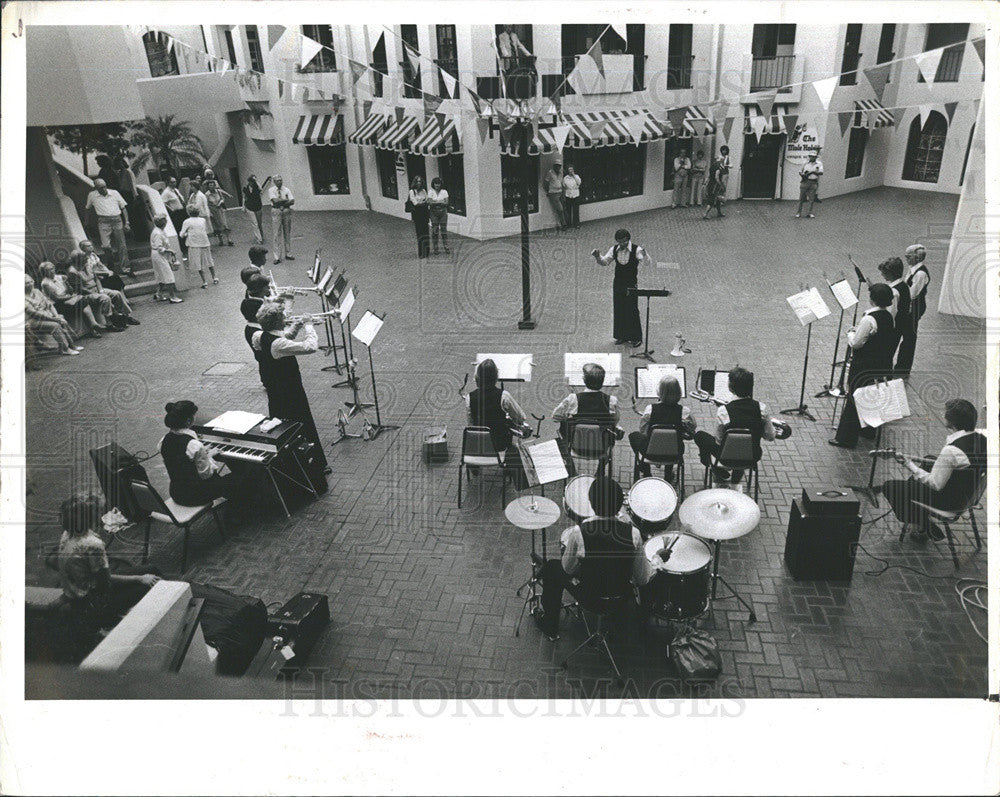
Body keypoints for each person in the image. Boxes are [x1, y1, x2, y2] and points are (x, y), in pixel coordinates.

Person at [531, 477, 643, 641]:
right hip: (620, 597)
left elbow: (567, 569)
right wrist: (656, 559)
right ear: (621, 505)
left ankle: (550, 626)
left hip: (589, 597)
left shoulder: (579, 532)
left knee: (551, 569)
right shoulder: (634, 534)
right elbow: (643, 577)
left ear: (591, 503)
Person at [881, 399, 987, 542]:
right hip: (968, 494)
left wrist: (908, 464)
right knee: (928, 459)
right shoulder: (981, 439)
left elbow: (935, 484)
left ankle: (924, 523)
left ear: (953, 422)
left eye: (946, 413)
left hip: (949, 502)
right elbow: (959, 463)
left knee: (890, 487)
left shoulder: (951, 450)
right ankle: (917, 519)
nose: (942, 414)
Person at [56, 492, 160, 632]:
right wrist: (140, 578)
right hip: (93, 603)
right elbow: (105, 583)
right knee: (153, 582)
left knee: (151, 569)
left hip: (78, 590)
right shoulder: (92, 544)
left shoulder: (67, 535)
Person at [252, 302, 330, 473]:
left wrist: (298, 324)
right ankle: (315, 465)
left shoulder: (258, 336)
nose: (285, 319)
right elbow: (310, 347)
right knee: (303, 423)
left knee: (282, 425)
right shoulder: (278, 344)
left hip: (275, 389)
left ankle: (290, 463)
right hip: (290, 389)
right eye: (283, 317)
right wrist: (309, 326)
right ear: (276, 321)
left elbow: (284, 338)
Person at [829, 283, 897, 449]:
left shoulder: (868, 318)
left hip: (864, 365)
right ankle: (868, 431)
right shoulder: (889, 316)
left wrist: (852, 333)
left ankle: (845, 438)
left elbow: (857, 343)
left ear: (872, 299)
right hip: (882, 364)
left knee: (854, 398)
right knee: (872, 396)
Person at [693, 367, 775, 486]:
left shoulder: (723, 411)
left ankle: (713, 466)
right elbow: (770, 437)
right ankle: (737, 476)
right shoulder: (761, 409)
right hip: (752, 456)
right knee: (744, 447)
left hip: (726, 457)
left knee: (699, 435)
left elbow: (719, 440)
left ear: (730, 388)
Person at [159, 400, 242, 506]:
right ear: (189, 421)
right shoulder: (194, 445)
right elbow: (206, 475)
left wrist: (202, 453)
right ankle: (235, 513)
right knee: (241, 477)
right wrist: (209, 456)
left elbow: (180, 462)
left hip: (177, 492)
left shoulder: (163, 441)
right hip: (197, 495)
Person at [628, 374, 696, 481]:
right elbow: (692, 428)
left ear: (660, 392)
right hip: (675, 453)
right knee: (671, 442)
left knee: (633, 436)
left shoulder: (650, 410)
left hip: (650, 453)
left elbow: (643, 431)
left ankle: (646, 472)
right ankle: (668, 475)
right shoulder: (684, 412)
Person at [592, 228, 649, 346]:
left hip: (631, 282)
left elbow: (646, 262)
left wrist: (645, 255)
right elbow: (605, 262)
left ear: (628, 239)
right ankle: (621, 336)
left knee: (632, 309)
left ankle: (636, 337)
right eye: (619, 242)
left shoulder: (636, 249)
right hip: (618, 282)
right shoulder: (614, 249)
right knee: (619, 308)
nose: (622, 244)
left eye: (623, 241)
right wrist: (598, 256)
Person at [67, 243, 138, 326]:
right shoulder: (73, 272)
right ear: (78, 260)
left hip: (96, 289)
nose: (86, 259)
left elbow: (96, 278)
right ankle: (111, 322)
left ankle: (126, 316)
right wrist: (95, 293)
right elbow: (80, 289)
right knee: (105, 298)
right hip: (87, 293)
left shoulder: (86, 266)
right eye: (84, 258)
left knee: (116, 294)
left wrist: (100, 290)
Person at [39, 261, 106, 336]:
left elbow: (70, 291)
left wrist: (66, 283)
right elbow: (56, 298)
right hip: (57, 305)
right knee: (81, 302)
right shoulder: (45, 283)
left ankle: (93, 327)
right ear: (44, 272)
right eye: (49, 270)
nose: (52, 271)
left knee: (82, 301)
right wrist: (71, 297)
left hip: (67, 299)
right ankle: (93, 326)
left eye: (52, 268)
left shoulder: (59, 277)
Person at [84, 178, 133, 276]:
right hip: (103, 221)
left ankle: (126, 268)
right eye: (101, 188)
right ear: (96, 188)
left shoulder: (114, 193)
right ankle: (111, 266)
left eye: (105, 186)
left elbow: (123, 208)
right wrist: (86, 222)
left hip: (117, 220)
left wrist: (126, 222)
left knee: (121, 244)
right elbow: (87, 209)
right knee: (106, 245)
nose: (104, 189)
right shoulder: (92, 195)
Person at [24, 274, 82, 355]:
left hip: (47, 314)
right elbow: (35, 314)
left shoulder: (37, 291)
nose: (30, 284)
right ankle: (65, 349)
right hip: (34, 320)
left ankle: (72, 345)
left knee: (61, 317)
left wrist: (56, 316)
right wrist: (54, 319)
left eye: (31, 281)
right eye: (27, 283)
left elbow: (49, 304)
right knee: (55, 325)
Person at [895, 244, 929, 377]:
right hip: (909, 307)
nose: (906, 259)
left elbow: (912, 293)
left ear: (916, 257)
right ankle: (900, 367)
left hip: (914, 309)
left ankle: (903, 369)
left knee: (909, 338)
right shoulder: (913, 268)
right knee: (906, 336)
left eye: (908, 256)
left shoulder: (920, 273)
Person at [878, 256, 910, 370]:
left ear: (891, 273)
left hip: (891, 330)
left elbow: (890, 314)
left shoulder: (893, 291)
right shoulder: (903, 286)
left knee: (884, 357)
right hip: (899, 327)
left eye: (884, 273)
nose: (882, 275)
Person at [179, 207, 217, 288]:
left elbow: (181, 234)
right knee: (209, 260)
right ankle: (214, 277)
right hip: (204, 242)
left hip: (194, 244)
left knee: (198, 263)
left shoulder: (187, 221)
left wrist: (187, 234)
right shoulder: (202, 220)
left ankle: (204, 282)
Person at [149, 215, 182, 303]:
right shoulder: (158, 233)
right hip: (159, 255)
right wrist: (169, 250)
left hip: (159, 255)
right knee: (168, 275)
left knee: (161, 275)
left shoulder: (158, 231)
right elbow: (159, 247)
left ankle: (159, 294)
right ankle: (172, 296)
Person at [268, 175, 295, 263]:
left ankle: (288, 253)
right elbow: (274, 201)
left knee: (287, 232)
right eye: (278, 181)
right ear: (274, 182)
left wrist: (281, 202)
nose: (280, 182)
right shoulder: (271, 190)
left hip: (286, 211)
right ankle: (277, 257)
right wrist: (285, 201)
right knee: (276, 233)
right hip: (276, 211)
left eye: (281, 180)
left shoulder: (286, 189)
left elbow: (292, 201)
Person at [160, 176, 188, 255]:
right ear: (168, 183)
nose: (174, 183)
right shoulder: (166, 192)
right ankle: (183, 248)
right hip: (176, 213)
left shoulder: (175, 190)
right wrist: (171, 209)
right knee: (179, 230)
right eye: (172, 182)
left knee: (185, 229)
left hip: (182, 211)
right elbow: (163, 203)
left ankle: (186, 245)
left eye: (175, 182)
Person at [204, 178, 235, 247]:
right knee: (217, 226)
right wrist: (209, 212)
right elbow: (205, 204)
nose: (211, 186)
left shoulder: (218, 191)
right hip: (213, 211)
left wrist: (221, 202)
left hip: (220, 210)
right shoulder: (207, 194)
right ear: (208, 187)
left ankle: (229, 239)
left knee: (224, 224)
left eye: (212, 185)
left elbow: (222, 198)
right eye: (210, 185)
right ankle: (220, 240)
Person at [407, 176, 430, 259]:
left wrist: (423, 202)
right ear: (415, 183)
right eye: (417, 181)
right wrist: (422, 202)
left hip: (424, 213)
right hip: (417, 214)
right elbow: (415, 203)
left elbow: (427, 200)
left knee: (426, 232)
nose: (419, 183)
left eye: (420, 181)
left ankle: (427, 251)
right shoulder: (412, 191)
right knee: (420, 232)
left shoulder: (424, 191)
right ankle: (421, 252)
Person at [795, 150, 823, 218]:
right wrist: (803, 175)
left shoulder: (819, 164)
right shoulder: (805, 163)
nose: (812, 158)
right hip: (805, 181)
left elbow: (821, 172)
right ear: (809, 157)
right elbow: (800, 171)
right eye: (811, 156)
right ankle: (798, 212)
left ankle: (809, 213)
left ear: (816, 157)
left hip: (813, 182)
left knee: (812, 198)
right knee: (801, 198)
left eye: (814, 157)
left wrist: (813, 172)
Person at [427, 177, 450, 255]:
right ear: (433, 184)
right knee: (435, 230)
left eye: (438, 183)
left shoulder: (444, 192)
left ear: (441, 184)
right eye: (435, 183)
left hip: (443, 212)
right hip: (433, 212)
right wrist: (440, 202)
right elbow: (430, 202)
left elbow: (446, 203)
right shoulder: (431, 192)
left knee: (444, 230)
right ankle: (435, 248)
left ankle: (446, 247)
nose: (437, 185)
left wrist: (435, 202)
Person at [543, 162, 567, 231]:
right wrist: (548, 191)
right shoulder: (550, 173)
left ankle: (561, 224)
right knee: (560, 209)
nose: (558, 167)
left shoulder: (560, 173)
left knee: (561, 209)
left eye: (559, 166)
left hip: (560, 192)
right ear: (554, 166)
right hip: (553, 193)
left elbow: (561, 182)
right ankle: (563, 224)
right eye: (557, 166)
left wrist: (563, 191)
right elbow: (545, 183)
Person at [242, 174, 265, 243]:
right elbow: (244, 197)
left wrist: (256, 181)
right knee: (255, 223)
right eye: (251, 181)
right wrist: (243, 206)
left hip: (258, 206)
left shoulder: (257, 187)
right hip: (249, 207)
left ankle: (261, 235)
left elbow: (261, 189)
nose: (252, 183)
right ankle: (259, 238)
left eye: (253, 181)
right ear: (248, 182)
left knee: (259, 223)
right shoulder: (245, 188)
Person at [562, 164, 582, 229]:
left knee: (576, 210)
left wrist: (574, 176)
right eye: (569, 169)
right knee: (568, 210)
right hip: (568, 195)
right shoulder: (565, 178)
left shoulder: (577, 176)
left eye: (572, 169)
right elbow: (564, 185)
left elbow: (579, 183)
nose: (571, 171)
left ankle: (576, 224)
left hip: (576, 195)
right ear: (567, 170)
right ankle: (569, 224)